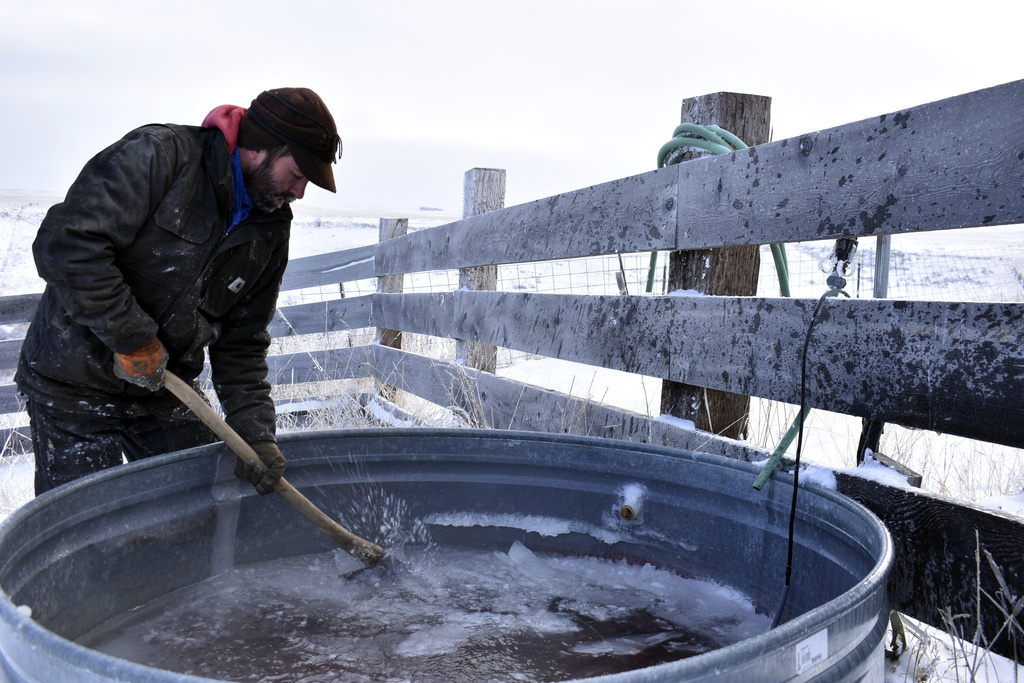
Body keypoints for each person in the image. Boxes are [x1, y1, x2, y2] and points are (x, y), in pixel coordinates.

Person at [15, 87, 341, 496]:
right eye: (297, 175)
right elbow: (67, 246)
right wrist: (133, 338)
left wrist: (256, 434)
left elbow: (242, 342)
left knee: (194, 512)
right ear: (262, 148)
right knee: (86, 534)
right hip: (73, 383)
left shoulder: (270, 229)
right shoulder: (160, 157)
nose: (299, 192)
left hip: (166, 390)